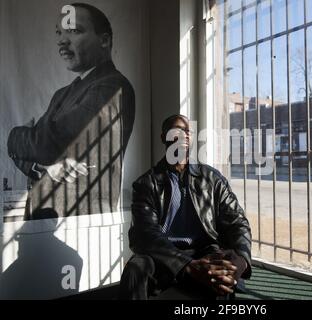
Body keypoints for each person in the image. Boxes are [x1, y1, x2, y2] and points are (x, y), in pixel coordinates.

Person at [7, 3, 135, 219]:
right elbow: (40, 150)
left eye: (74, 31)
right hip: (43, 218)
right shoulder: (62, 94)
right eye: (60, 33)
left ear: (104, 40)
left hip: (81, 220)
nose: (62, 40)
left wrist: (15, 135)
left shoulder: (112, 87)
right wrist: (46, 167)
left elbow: (46, 145)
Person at [119, 115, 252, 300]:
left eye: (187, 131)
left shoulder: (213, 179)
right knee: (135, 269)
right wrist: (187, 265)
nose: (183, 135)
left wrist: (243, 260)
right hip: (162, 254)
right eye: (176, 130)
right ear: (163, 137)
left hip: (204, 250)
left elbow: (237, 222)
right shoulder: (146, 184)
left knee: (221, 271)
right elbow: (144, 234)